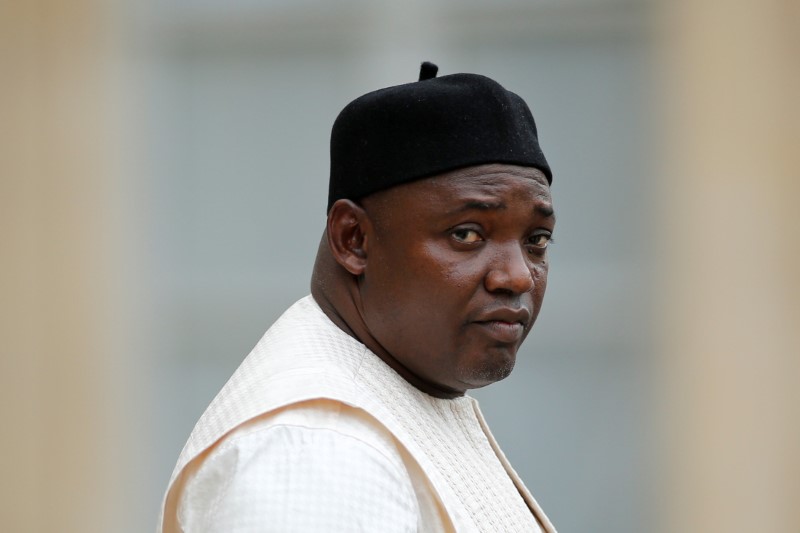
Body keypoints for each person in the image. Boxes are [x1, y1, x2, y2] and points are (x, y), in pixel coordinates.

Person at [158, 61, 558, 533]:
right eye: (467, 234)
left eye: (536, 241)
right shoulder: (318, 448)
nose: (517, 276)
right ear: (354, 240)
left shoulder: (386, 402)